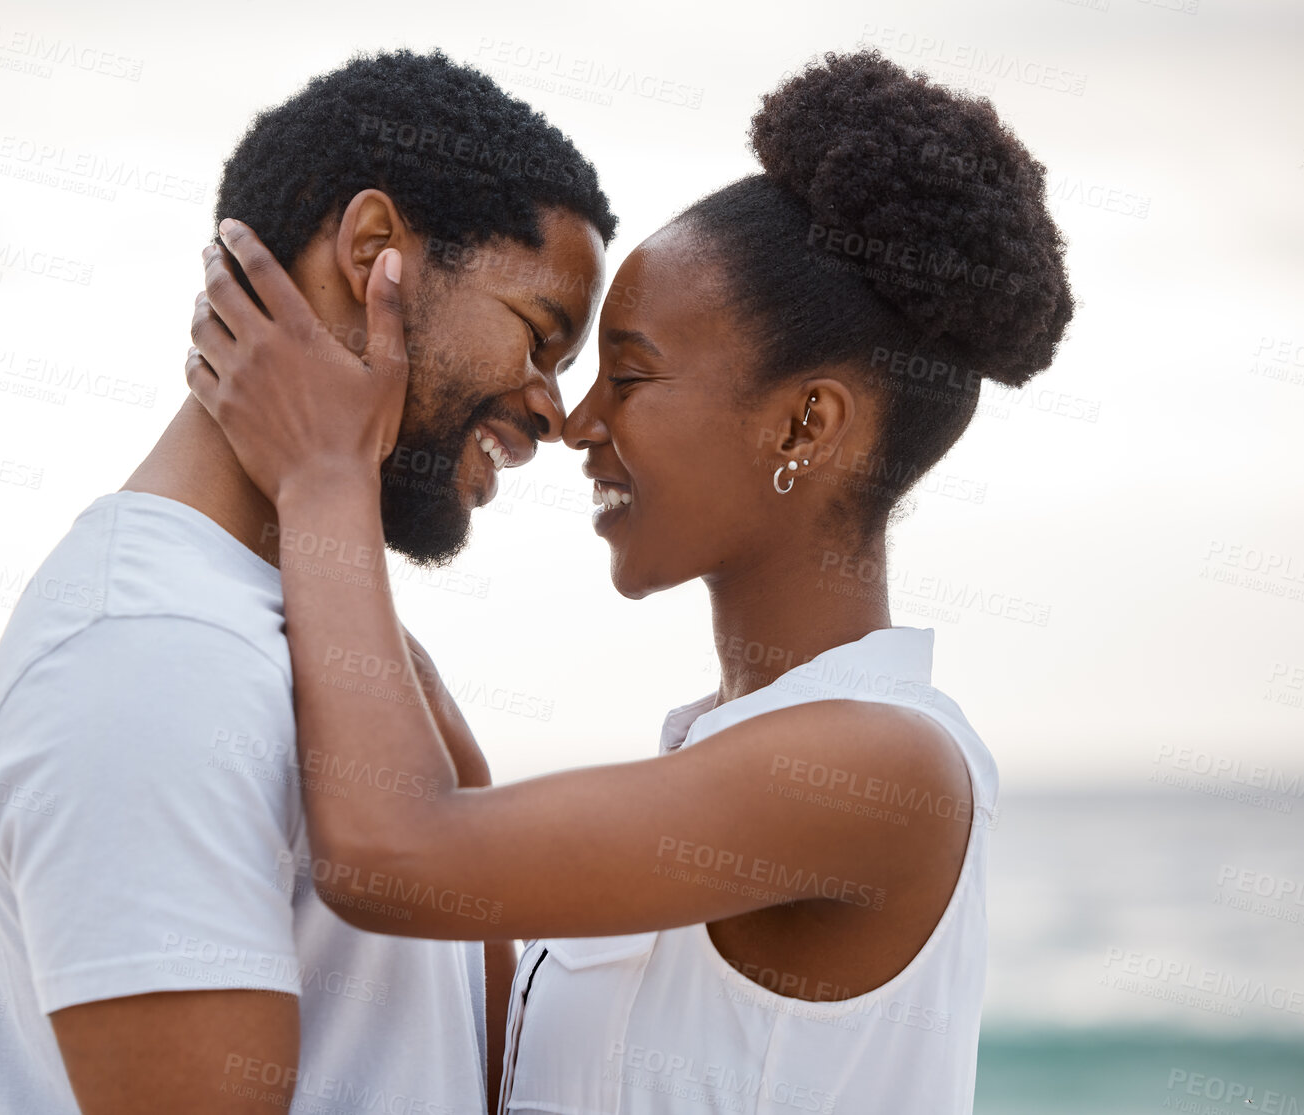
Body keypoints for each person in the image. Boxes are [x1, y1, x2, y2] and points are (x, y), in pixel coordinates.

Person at [185, 50, 1074, 1114]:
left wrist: (323, 473)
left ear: (804, 423)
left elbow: (388, 854)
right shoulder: (727, 751)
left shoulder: (878, 764)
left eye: (633, 374)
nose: (576, 420)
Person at [0, 49, 619, 1114]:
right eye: (540, 337)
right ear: (373, 256)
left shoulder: (300, 636)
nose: (550, 408)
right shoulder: (148, 651)